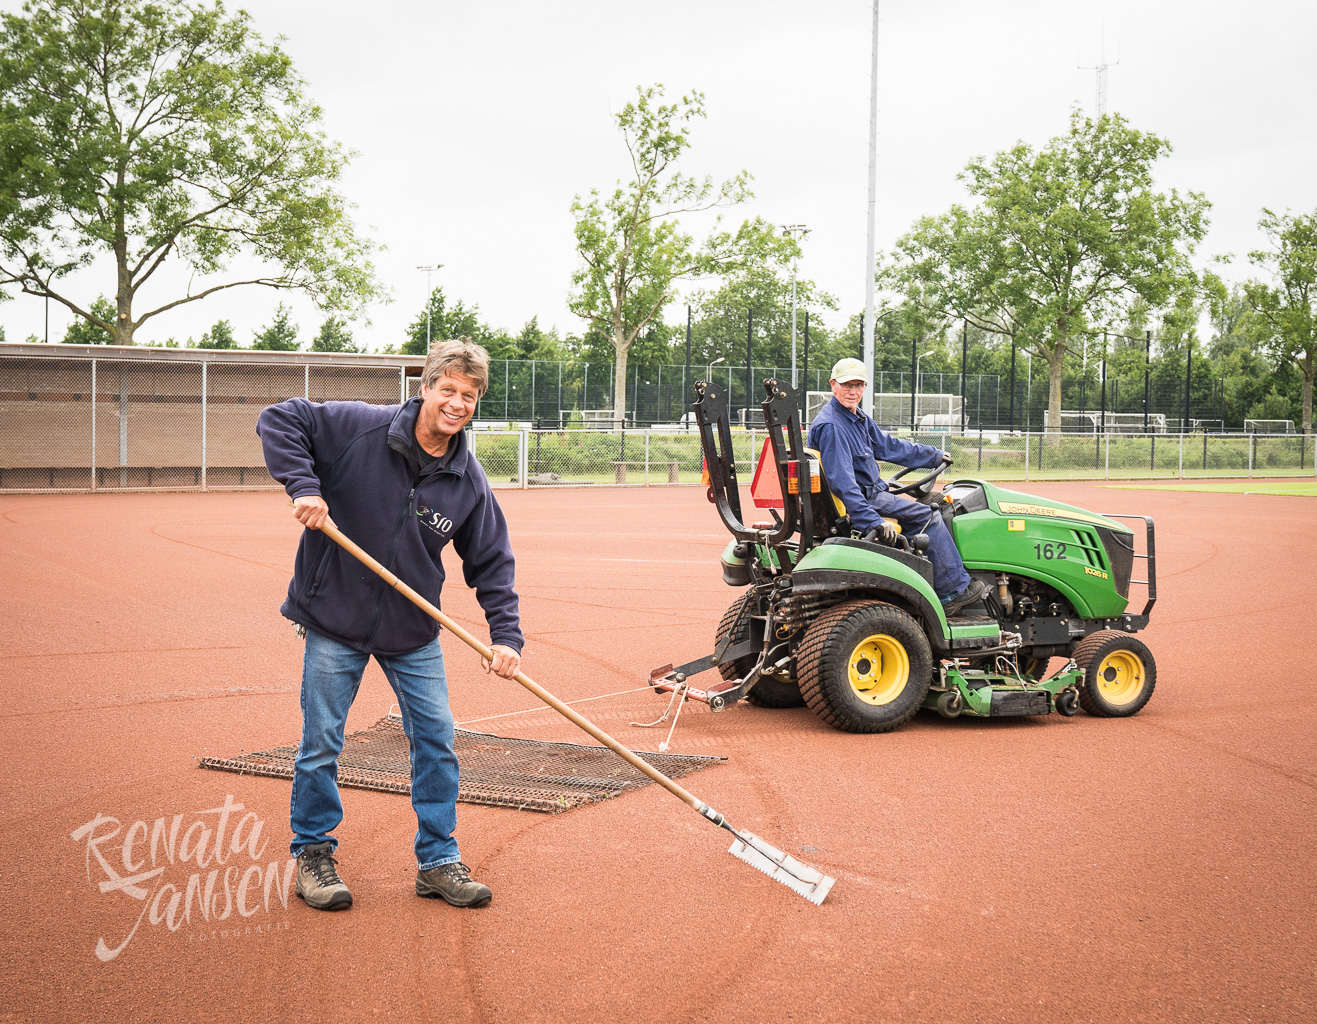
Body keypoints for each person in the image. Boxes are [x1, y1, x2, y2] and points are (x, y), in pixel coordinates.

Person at [257, 338, 523, 912]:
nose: (457, 403)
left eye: (469, 395)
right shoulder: (360, 428)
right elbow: (278, 418)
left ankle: (438, 860)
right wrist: (304, 486)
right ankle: (313, 853)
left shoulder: (466, 480)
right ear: (425, 388)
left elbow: (492, 563)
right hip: (335, 616)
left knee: (436, 740)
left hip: (412, 629)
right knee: (322, 741)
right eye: (448, 389)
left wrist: (506, 638)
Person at [807, 357, 988, 617]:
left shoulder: (856, 418)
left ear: (865, 387)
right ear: (833, 385)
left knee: (931, 501)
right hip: (866, 500)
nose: (853, 392)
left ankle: (930, 575)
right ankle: (952, 592)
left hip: (873, 492)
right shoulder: (834, 426)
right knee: (930, 517)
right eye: (847, 385)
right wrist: (872, 522)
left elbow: (888, 446)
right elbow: (843, 484)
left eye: (859, 385)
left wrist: (933, 456)